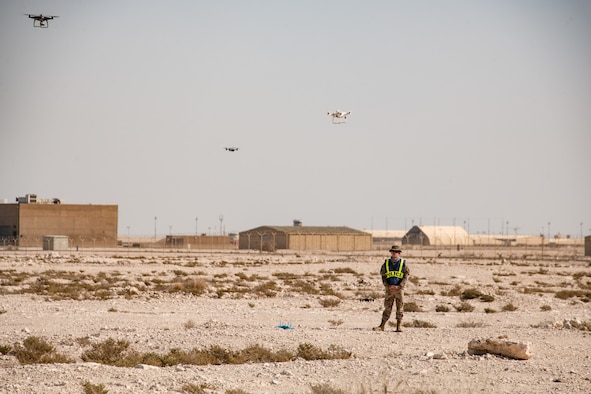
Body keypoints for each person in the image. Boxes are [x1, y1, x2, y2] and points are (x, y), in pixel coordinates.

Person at [373, 245, 410, 332]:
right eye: (392, 251)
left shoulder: (403, 264)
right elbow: (383, 276)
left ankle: (398, 326)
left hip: (399, 289)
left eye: (396, 252)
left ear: (399, 253)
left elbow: (406, 276)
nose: (394, 253)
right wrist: (387, 285)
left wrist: (399, 286)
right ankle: (382, 326)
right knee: (387, 307)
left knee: (400, 308)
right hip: (389, 289)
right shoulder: (386, 264)